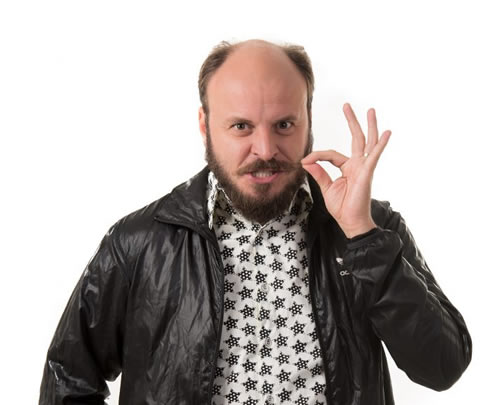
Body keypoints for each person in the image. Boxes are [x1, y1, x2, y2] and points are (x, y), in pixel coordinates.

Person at [39, 39, 472, 405]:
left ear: (307, 121)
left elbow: (442, 366)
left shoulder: (370, 231)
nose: (265, 149)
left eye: (283, 124)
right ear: (206, 125)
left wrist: (363, 238)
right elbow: (68, 378)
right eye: (242, 126)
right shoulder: (140, 243)